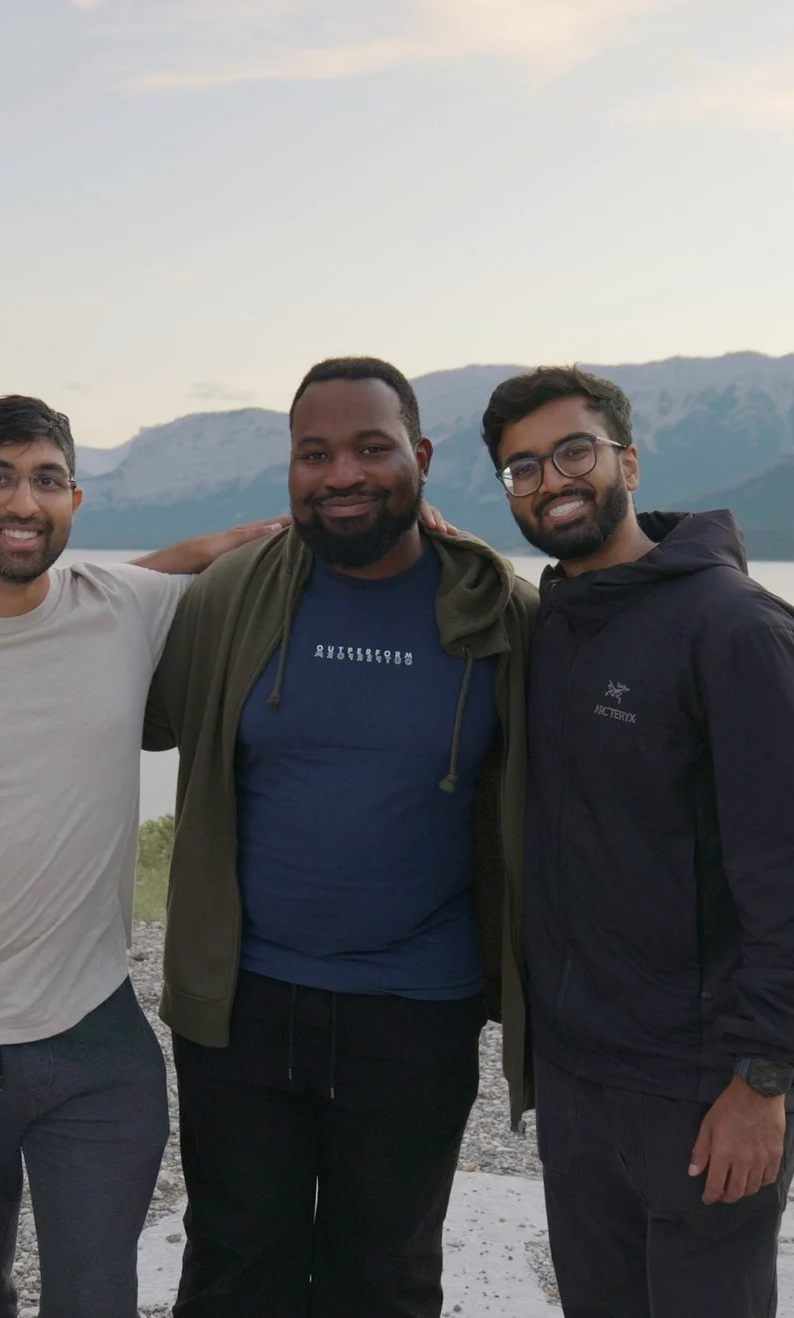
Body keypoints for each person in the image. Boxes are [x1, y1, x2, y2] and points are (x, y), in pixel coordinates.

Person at [0, 396, 278, 1316]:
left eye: (46, 480)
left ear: (76, 501)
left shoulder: (122, 605)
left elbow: (240, 557)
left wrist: (416, 518)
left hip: (95, 1042)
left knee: (98, 1299)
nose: (23, 501)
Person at [143, 357, 538, 1316]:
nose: (341, 473)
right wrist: (162, 565)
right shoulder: (233, 594)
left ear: (422, 457)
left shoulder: (498, 612)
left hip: (415, 1010)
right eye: (314, 453)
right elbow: (92, 667)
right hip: (244, 1003)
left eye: (371, 447)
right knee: (236, 1269)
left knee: (387, 1277)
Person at [482, 365, 794, 1318]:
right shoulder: (555, 622)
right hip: (579, 1080)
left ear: (629, 463)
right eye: (521, 469)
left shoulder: (735, 628)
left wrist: (763, 1080)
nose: (552, 480)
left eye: (574, 452)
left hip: (702, 1087)